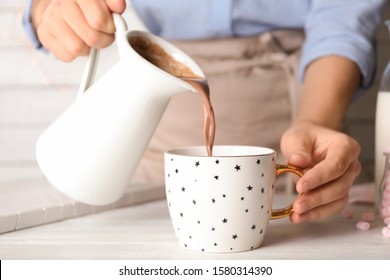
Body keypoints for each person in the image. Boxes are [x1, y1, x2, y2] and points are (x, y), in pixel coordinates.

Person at [23, 0, 386, 224]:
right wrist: (49, 8)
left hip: (306, 98)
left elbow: (341, 22)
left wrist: (315, 122)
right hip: (163, 96)